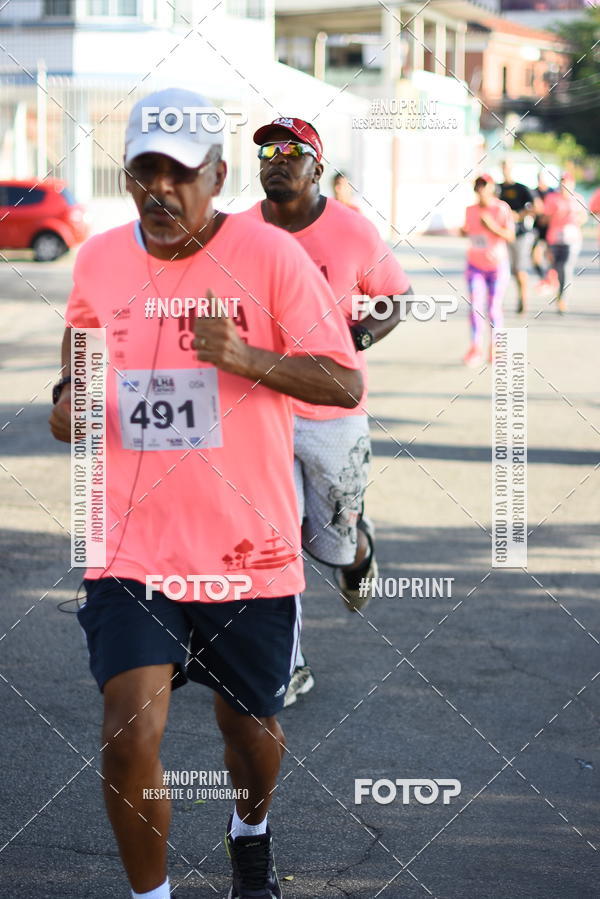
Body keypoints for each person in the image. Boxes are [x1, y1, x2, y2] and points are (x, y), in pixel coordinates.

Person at [48, 88, 362, 899]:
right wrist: (70, 403)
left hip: (245, 548)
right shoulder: (99, 261)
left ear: (217, 175)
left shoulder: (271, 258)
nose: (160, 189)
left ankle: (249, 829)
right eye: (144, 171)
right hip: (130, 543)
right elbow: (73, 381)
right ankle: (151, 896)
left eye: (179, 173)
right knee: (129, 728)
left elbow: (342, 380)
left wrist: (249, 357)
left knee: (248, 728)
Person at [244, 117, 413, 706]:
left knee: (334, 539)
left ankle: (359, 547)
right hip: (259, 411)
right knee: (276, 538)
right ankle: (288, 664)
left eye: (293, 151)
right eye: (268, 149)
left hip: (335, 413)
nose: (277, 158)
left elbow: (395, 297)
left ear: (317, 166)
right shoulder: (236, 233)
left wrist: (356, 340)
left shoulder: (352, 232)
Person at [461, 174, 515, 366]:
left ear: (492, 187)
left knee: (493, 308)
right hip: (475, 265)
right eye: (478, 186)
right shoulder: (470, 209)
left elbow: (510, 236)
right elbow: (468, 230)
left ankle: (495, 348)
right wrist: (463, 231)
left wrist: (492, 227)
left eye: (484, 185)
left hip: (496, 266)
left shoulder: (501, 208)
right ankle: (475, 347)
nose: (481, 189)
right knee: (475, 305)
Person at [544, 172, 587, 314]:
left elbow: (584, 218)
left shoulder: (577, 199)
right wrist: (555, 214)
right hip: (554, 239)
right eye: (562, 183)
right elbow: (545, 219)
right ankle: (559, 292)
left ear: (572, 184)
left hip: (572, 239)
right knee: (556, 268)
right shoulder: (552, 198)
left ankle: (563, 300)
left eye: (567, 183)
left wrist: (575, 219)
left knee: (566, 268)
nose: (564, 186)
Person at [498, 160, 535, 314]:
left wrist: (519, 215)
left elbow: (535, 206)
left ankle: (523, 299)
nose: (506, 170)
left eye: (508, 167)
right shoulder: (497, 188)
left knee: (520, 269)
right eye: (503, 167)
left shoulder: (521, 188)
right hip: (502, 234)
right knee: (505, 270)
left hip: (520, 234)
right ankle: (498, 301)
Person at [531, 170, 557, 292]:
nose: (541, 181)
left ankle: (552, 279)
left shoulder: (552, 192)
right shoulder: (533, 192)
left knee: (550, 256)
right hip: (538, 229)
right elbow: (531, 209)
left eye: (543, 178)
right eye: (539, 178)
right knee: (535, 256)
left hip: (551, 228)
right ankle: (543, 278)